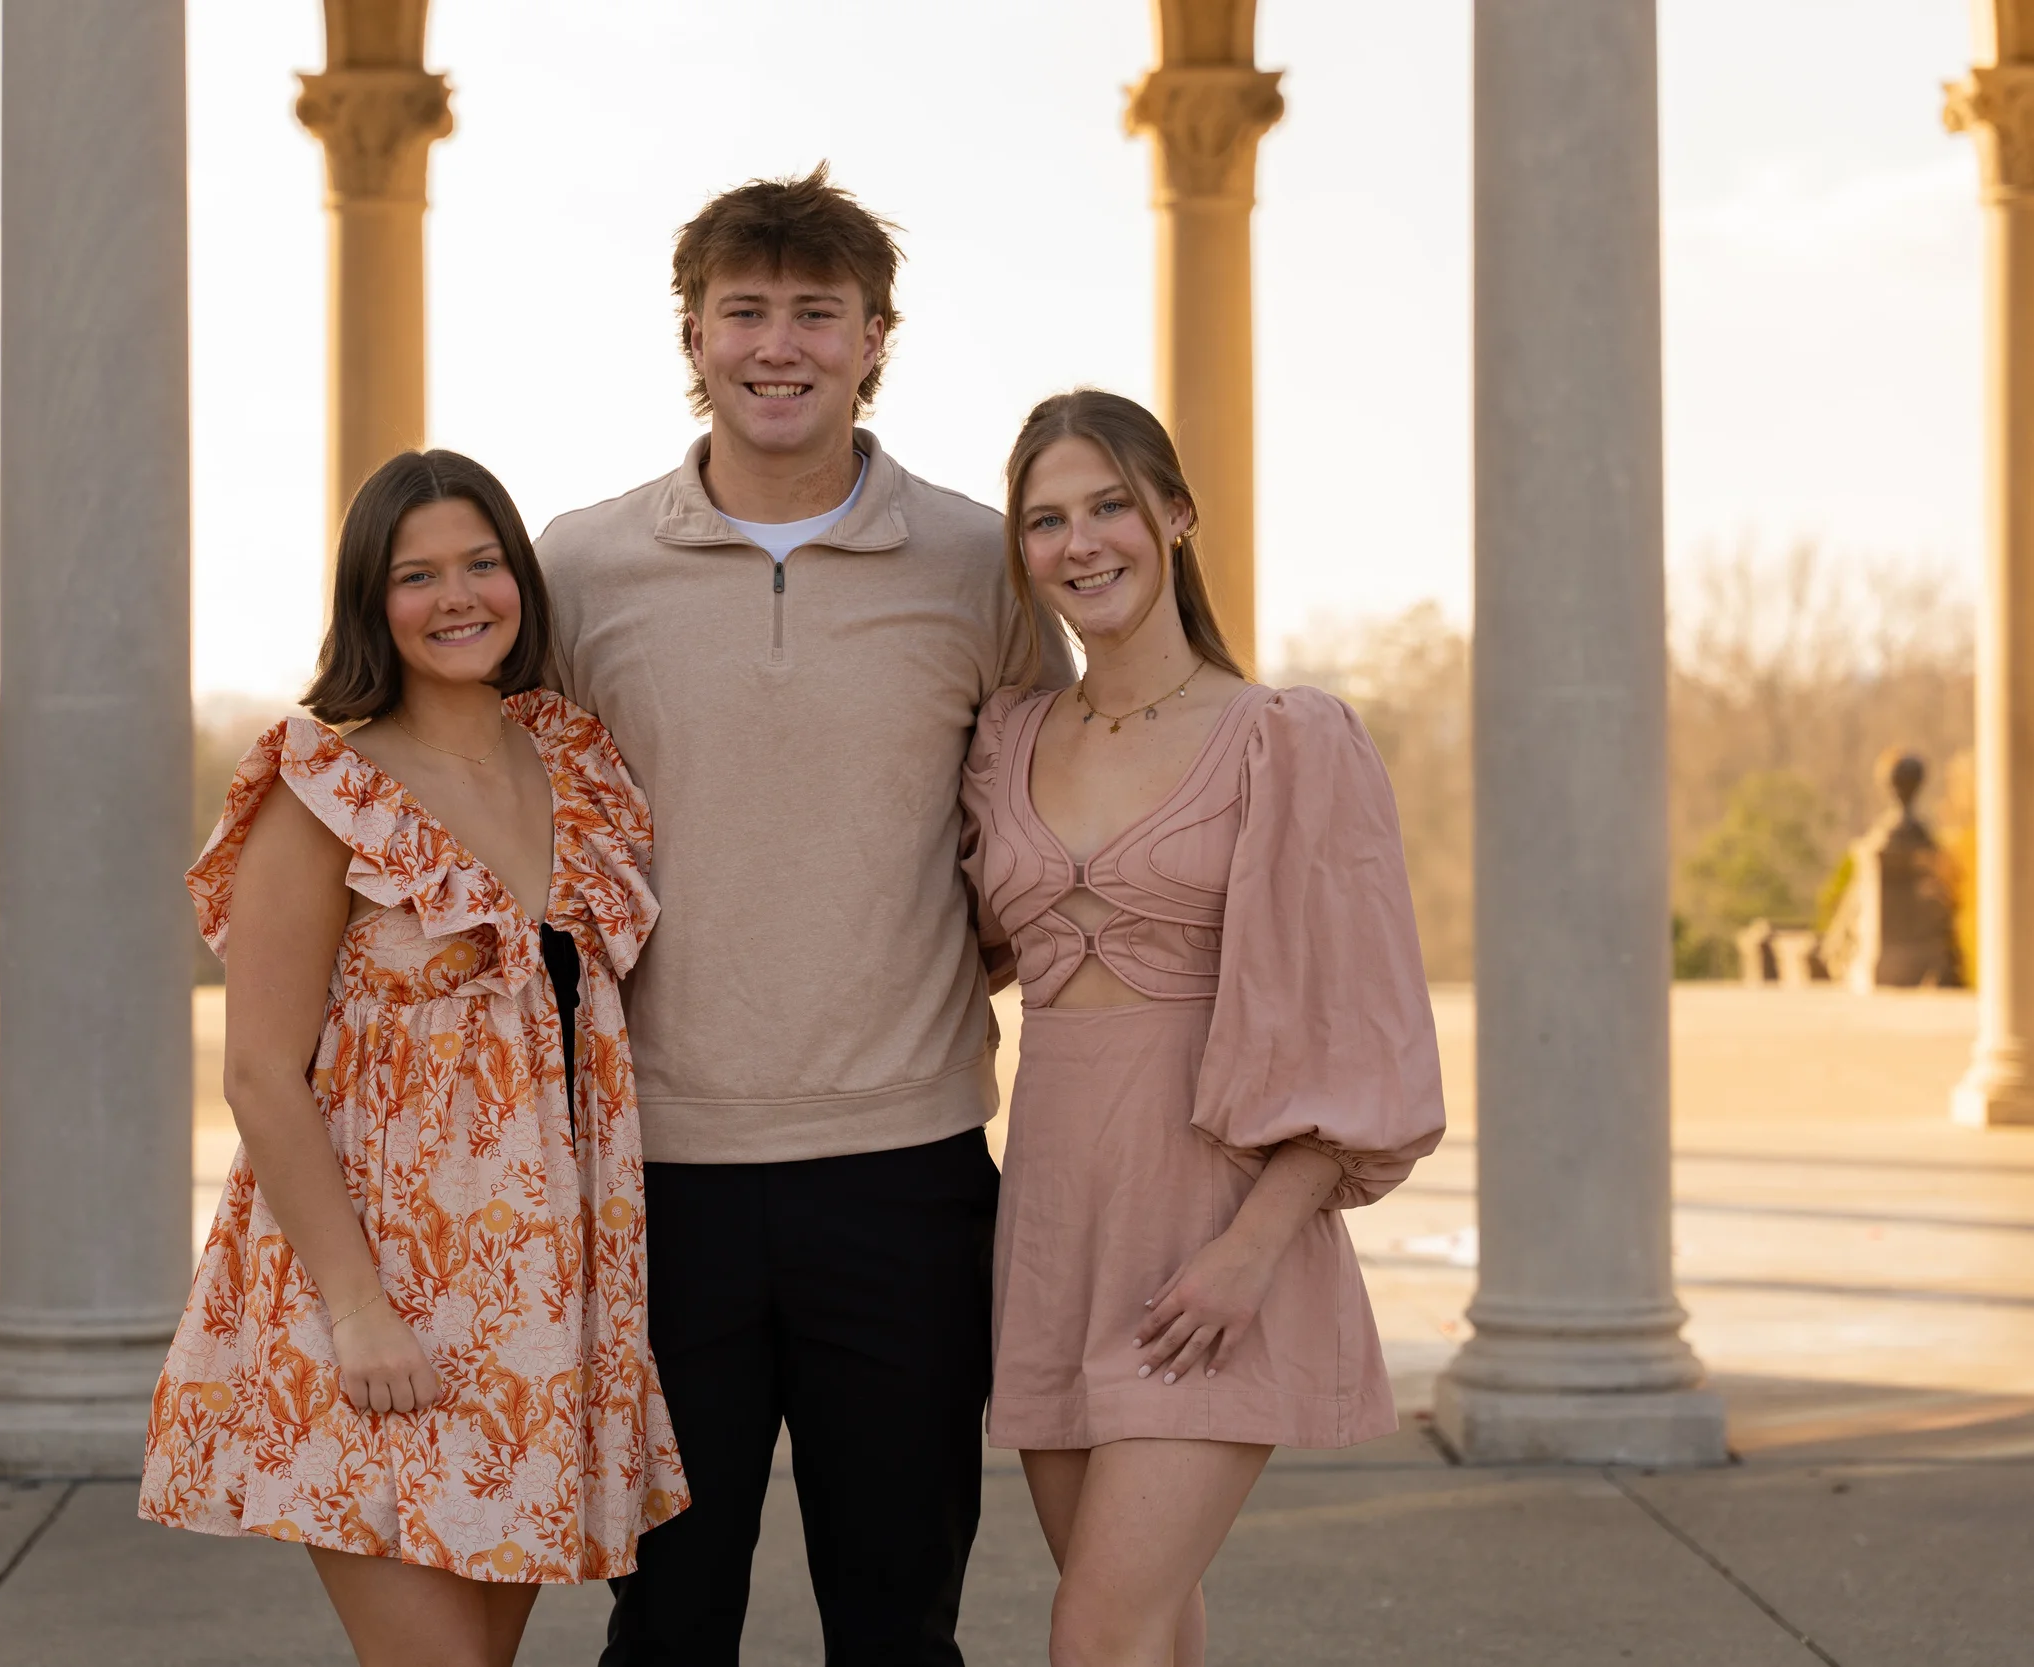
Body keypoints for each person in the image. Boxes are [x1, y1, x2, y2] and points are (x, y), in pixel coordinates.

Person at [538, 166, 1070, 1664]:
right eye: (745, 310)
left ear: (874, 337)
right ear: (694, 334)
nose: (780, 344)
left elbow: (1047, 814)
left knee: (900, 1617)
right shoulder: (583, 564)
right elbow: (518, 820)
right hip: (657, 1169)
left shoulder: (981, 562)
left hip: (904, 1166)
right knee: (669, 1615)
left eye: (816, 313)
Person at [140, 450, 687, 1667]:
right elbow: (258, 1076)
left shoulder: (578, 766)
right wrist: (358, 1308)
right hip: (373, 1302)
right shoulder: (324, 786)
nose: (459, 595)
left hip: (540, 1310)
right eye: (416, 573)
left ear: (521, 580)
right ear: (367, 600)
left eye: (483, 562)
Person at [961, 389, 1448, 1666]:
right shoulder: (1005, 737)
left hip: (1216, 1234)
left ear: (1174, 513)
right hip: (1055, 1226)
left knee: (1097, 1625)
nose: (1082, 542)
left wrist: (1250, 1249)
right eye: (1046, 519)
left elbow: (1363, 1030)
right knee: (1148, 1617)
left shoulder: (1285, 737)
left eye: (1110, 504)